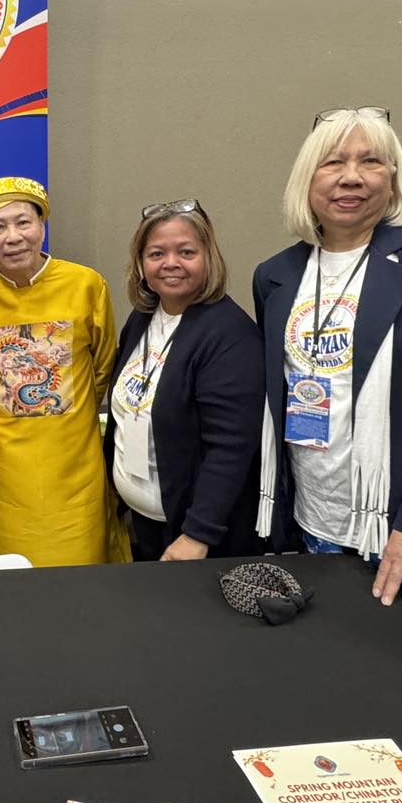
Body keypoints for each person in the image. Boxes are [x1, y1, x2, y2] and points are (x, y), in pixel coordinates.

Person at [253, 107, 402, 610]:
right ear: (306, 178)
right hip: (311, 518)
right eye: (333, 162)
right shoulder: (276, 275)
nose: (352, 177)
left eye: (372, 162)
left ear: (394, 176)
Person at [0, 177, 123, 566]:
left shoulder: (86, 285)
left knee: (80, 566)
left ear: (42, 225)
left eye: (23, 222)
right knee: (6, 573)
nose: (13, 237)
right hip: (2, 468)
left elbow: (101, 367)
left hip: (72, 463)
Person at [104, 199, 264, 562]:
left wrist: (198, 533)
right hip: (146, 522)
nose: (170, 263)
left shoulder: (231, 336)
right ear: (141, 264)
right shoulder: (144, 318)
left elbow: (232, 448)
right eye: (156, 253)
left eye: (186, 251)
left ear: (209, 257)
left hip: (196, 537)